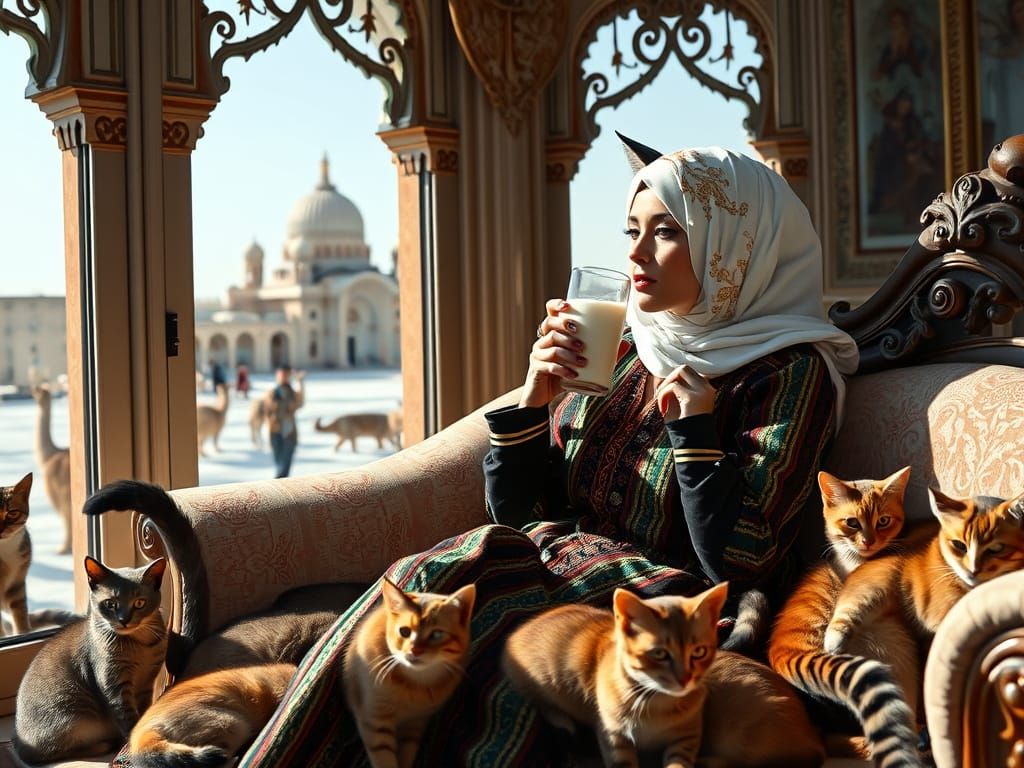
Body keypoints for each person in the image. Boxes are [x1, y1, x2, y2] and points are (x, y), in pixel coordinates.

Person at [237, 142, 859, 767]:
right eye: (632, 231)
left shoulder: (786, 371)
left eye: (665, 233)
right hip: (562, 562)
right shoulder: (624, 349)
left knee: (482, 640)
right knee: (427, 581)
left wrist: (695, 433)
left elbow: (741, 559)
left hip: (669, 610)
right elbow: (520, 512)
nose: (636, 254)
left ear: (734, 245)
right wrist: (536, 401)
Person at [265, 364, 305, 478]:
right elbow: (266, 410)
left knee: (285, 465)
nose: (283, 377)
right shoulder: (272, 393)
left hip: (289, 432)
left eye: (286, 374)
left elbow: (300, 402)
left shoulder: (292, 393)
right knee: (279, 462)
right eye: (281, 374)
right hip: (275, 431)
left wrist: (301, 383)